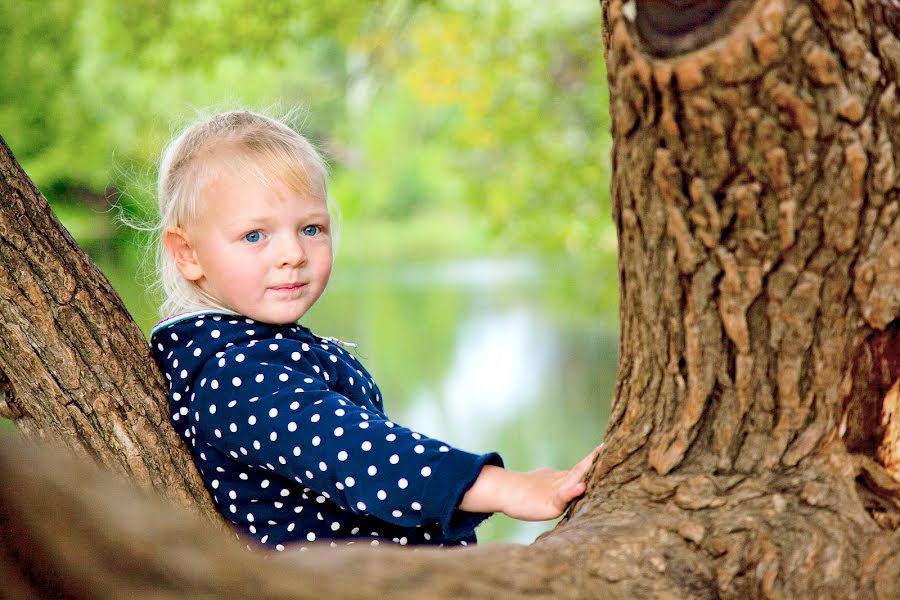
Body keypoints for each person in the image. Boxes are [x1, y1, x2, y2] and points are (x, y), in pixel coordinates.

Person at [148, 110, 599, 551]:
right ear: (187, 253)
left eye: (310, 228)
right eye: (254, 236)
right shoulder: (237, 376)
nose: (292, 253)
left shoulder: (256, 351)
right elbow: (363, 456)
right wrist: (507, 487)